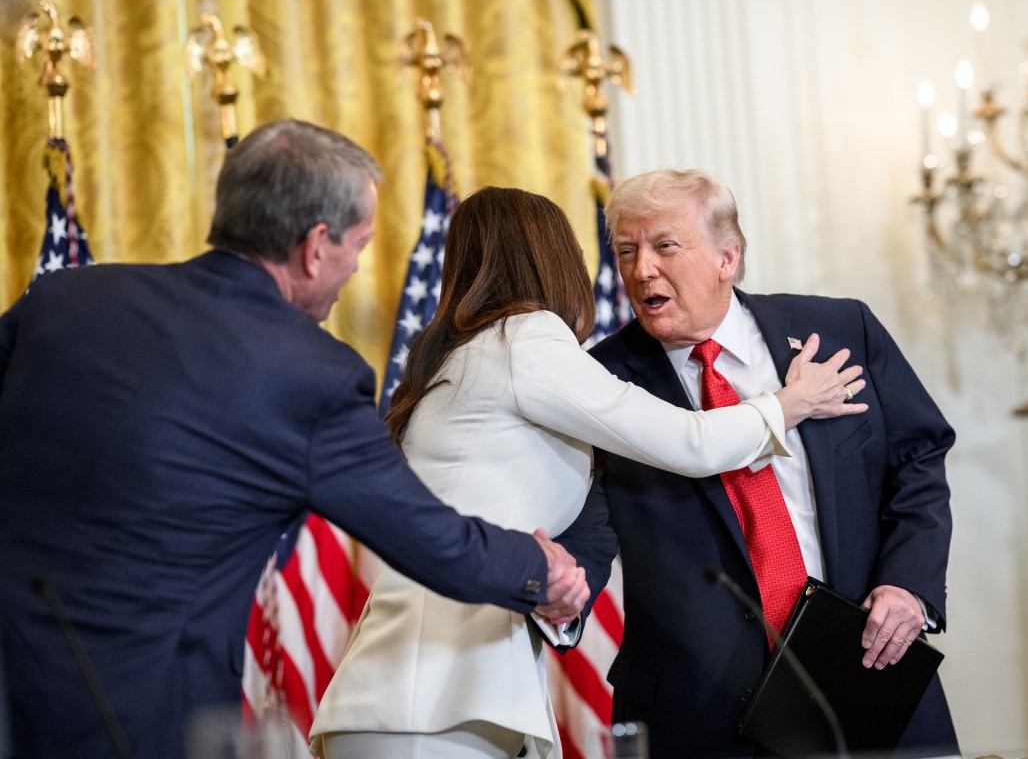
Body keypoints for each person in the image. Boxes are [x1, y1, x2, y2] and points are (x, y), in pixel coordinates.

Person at [0, 119, 589, 759]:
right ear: (315, 247)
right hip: (142, 717)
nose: (354, 267)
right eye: (358, 246)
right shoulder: (308, 374)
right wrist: (543, 569)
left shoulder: (62, 300)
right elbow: (434, 541)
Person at [309, 186, 867, 759]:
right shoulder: (523, 338)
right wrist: (790, 403)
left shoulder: (458, 357)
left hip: (420, 697)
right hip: (434, 701)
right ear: (554, 257)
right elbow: (689, 441)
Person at [556, 169, 959, 758]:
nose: (642, 270)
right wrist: (560, 595)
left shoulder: (839, 331)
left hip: (867, 672)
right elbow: (587, 523)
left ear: (728, 257)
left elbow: (918, 457)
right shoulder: (600, 381)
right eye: (625, 251)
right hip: (697, 713)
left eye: (665, 246)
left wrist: (908, 585)